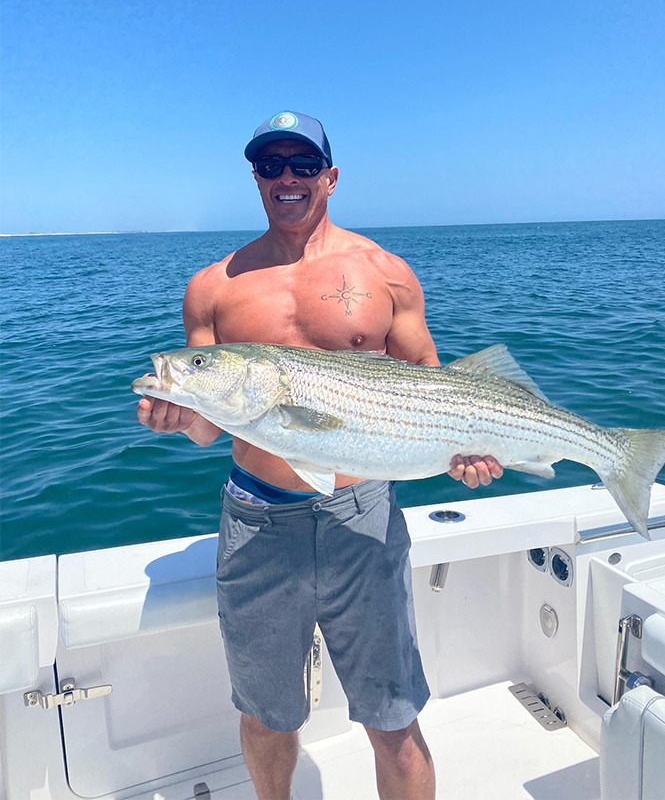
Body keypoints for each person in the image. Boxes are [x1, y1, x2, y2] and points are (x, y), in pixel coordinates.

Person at [137, 111, 503, 800]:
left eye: (303, 165)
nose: (287, 178)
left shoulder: (386, 273)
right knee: (265, 715)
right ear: (255, 178)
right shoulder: (213, 287)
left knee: (393, 719)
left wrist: (466, 450)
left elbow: (432, 380)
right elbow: (213, 431)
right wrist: (184, 418)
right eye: (270, 165)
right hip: (256, 522)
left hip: (361, 515)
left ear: (330, 178)